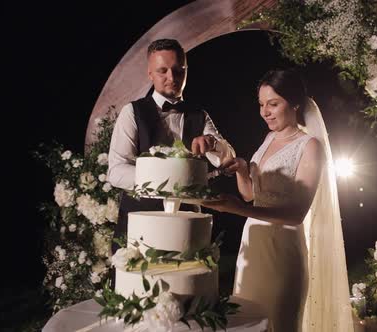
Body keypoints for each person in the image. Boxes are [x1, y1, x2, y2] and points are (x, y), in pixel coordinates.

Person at [202, 69, 353, 331]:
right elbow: (252, 195)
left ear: (294, 103)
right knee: (247, 322)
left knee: (277, 322)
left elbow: (296, 214)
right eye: (261, 105)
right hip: (253, 245)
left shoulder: (310, 146)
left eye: (273, 104)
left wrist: (238, 210)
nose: (265, 112)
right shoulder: (269, 138)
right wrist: (241, 169)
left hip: (283, 252)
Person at [107, 38, 235, 253]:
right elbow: (116, 171)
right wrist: (166, 180)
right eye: (162, 71)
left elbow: (228, 158)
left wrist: (213, 144)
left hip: (186, 224)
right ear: (150, 74)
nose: (171, 77)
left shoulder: (200, 115)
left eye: (178, 70)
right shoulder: (132, 112)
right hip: (140, 222)